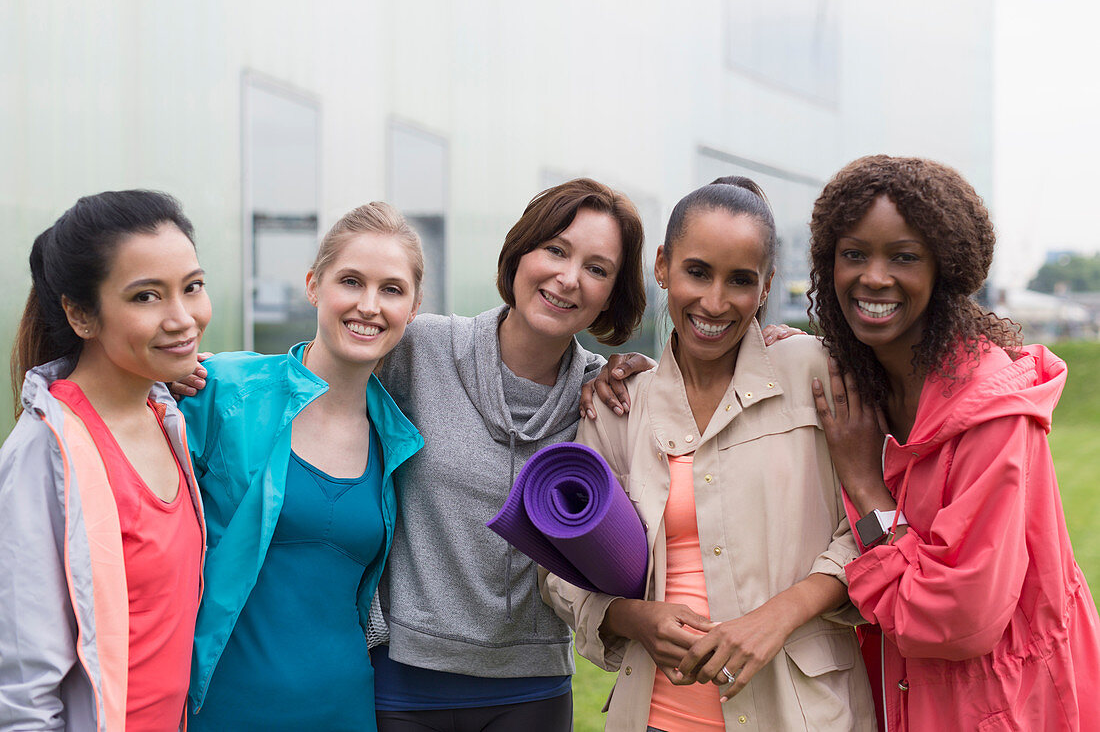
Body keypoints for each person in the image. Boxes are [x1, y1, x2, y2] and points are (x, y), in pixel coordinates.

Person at [543, 177, 876, 731]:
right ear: (662, 267)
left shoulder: (819, 375)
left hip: (803, 716)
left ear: (767, 286)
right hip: (654, 718)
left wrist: (777, 616)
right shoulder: (622, 402)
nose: (715, 303)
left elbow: (875, 529)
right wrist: (632, 617)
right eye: (697, 272)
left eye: (741, 281)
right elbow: (559, 566)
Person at [807, 154, 1100, 731]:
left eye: (905, 256)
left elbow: (958, 616)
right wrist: (619, 373)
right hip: (896, 697)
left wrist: (865, 484)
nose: (873, 276)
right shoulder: (856, 381)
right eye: (854, 254)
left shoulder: (992, 414)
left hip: (1005, 708)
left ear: (946, 268)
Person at [368, 178, 648, 731]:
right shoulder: (418, 351)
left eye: (597, 268)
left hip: (533, 688)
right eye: (556, 250)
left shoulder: (610, 397)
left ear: (612, 294)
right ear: (521, 251)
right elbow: (312, 374)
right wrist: (194, 371)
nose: (568, 279)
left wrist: (784, 345)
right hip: (404, 682)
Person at [179, 203, 424, 731]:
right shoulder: (222, 392)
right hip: (222, 708)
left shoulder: (397, 439)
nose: (368, 305)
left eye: (391, 289)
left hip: (344, 709)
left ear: (413, 305)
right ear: (314, 286)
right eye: (351, 281)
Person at [0, 191, 210, 731]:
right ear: (80, 314)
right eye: (146, 297)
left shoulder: (168, 416)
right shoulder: (43, 452)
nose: (182, 318)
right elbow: (22, 689)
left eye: (192, 286)